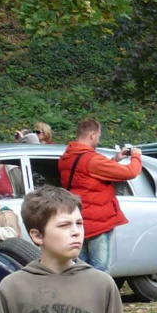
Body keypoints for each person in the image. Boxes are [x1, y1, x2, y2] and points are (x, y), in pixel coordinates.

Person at [57, 117, 143, 273]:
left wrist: (115, 160)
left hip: (78, 219)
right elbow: (131, 172)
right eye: (98, 136)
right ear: (92, 135)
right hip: (97, 222)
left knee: (80, 269)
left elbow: (88, 176)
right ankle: (98, 290)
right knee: (100, 271)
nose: (98, 140)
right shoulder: (93, 160)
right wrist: (136, 155)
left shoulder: (67, 157)